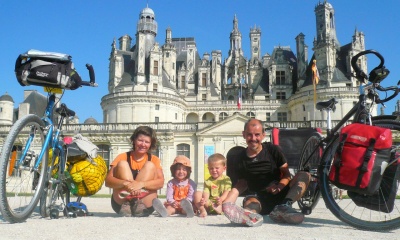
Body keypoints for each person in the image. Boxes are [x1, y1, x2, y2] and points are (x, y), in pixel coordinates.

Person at [222, 118, 311, 226]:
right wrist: (228, 203)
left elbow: (286, 175)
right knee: (251, 204)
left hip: (281, 193)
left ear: (263, 135)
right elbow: (241, 184)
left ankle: (284, 207)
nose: (253, 138)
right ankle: (251, 216)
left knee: (304, 175)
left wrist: (279, 186)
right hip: (257, 197)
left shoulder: (273, 150)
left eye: (257, 135)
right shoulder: (240, 158)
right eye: (249, 135)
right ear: (243, 134)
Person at [105, 126, 164, 217]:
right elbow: (108, 181)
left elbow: (160, 182)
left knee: (149, 165)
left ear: (151, 144)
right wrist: (125, 183)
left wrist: (141, 184)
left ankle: (136, 201)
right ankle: (129, 201)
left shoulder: (154, 159)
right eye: (140, 140)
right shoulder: (122, 156)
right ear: (134, 140)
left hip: (144, 205)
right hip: (123, 205)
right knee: (122, 164)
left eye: (147, 142)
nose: (143, 144)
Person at [193, 153, 232, 217]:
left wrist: (220, 200)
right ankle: (202, 210)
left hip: (221, 202)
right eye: (211, 168)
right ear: (208, 169)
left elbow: (226, 192)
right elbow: (206, 193)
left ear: (224, 168)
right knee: (197, 193)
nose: (214, 170)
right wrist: (204, 200)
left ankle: (220, 209)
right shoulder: (208, 181)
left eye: (217, 168)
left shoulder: (226, 179)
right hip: (210, 203)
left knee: (230, 195)